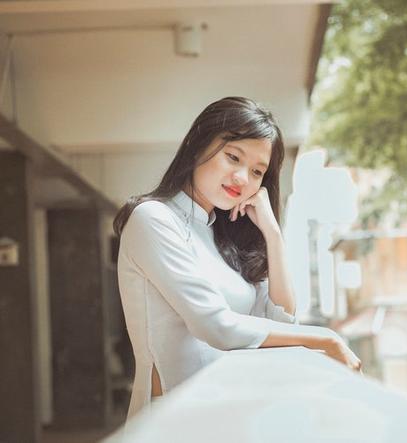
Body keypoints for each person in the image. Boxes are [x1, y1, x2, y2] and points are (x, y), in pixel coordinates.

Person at [113, 97, 362, 419]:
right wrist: (327, 338)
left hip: (229, 413)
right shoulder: (154, 219)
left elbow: (279, 324)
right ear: (197, 145)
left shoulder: (225, 239)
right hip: (174, 420)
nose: (243, 178)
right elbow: (215, 327)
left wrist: (273, 235)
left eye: (257, 172)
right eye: (233, 157)